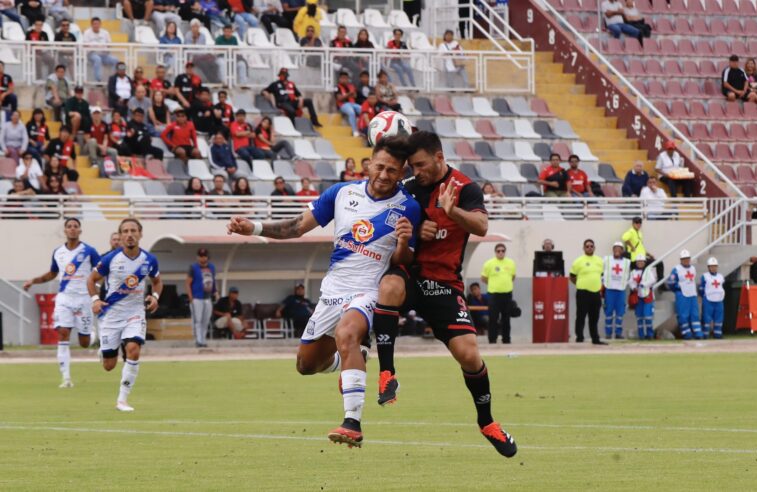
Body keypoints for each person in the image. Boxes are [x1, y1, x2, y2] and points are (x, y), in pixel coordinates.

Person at [227, 136, 421, 448]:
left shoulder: (407, 207)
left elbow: (404, 261)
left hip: (369, 291)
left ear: (402, 173)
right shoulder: (342, 193)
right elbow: (297, 226)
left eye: (393, 171)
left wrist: (402, 243)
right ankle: (353, 358)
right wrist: (256, 228)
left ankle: (352, 422)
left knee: (347, 334)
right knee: (306, 365)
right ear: (369, 163)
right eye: (380, 167)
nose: (385, 175)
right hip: (333, 291)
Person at [369, 131, 517, 458]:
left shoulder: (465, 188)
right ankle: (386, 373)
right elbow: (388, 230)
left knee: (469, 354)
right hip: (410, 272)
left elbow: (479, 226)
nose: (415, 171)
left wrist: (454, 214)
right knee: (388, 287)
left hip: (444, 283)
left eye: (420, 165)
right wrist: (409, 235)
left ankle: (487, 422)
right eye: (411, 166)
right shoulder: (406, 189)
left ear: (439, 157)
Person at [88, 218, 163, 412]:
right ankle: (104, 350)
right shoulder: (110, 259)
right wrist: (95, 300)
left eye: (133, 230)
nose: (129, 234)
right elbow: (91, 279)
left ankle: (122, 400)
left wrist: (155, 296)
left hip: (135, 313)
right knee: (109, 365)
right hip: (112, 316)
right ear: (120, 236)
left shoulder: (149, 260)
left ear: (140, 234)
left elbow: (157, 281)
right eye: (125, 231)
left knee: (133, 350)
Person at [22, 218, 98, 388]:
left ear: (80, 230)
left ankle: (91, 334)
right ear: (65, 231)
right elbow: (52, 274)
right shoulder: (58, 252)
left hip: (84, 298)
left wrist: (96, 289)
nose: (72, 229)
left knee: (84, 343)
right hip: (65, 298)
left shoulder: (89, 251)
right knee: (63, 332)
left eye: (75, 226)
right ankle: (66, 378)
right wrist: (33, 280)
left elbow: (100, 271)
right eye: (69, 226)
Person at [570, 239, 607, 345]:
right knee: (581, 315)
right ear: (583, 248)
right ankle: (580, 337)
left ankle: (595, 339)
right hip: (583, 292)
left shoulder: (600, 261)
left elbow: (601, 275)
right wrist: (580, 284)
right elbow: (572, 276)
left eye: (591, 246)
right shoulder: (578, 261)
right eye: (587, 246)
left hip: (596, 293)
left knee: (594, 317)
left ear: (594, 248)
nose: (589, 248)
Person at [480, 243, 516, 344]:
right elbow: (484, 278)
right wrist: (494, 284)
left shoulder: (511, 263)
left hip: (507, 294)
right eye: (498, 251)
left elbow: (513, 277)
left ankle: (506, 340)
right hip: (493, 295)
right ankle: (492, 340)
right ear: (495, 252)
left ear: (505, 252)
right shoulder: (489, 263)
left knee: (506, 318)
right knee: (493, 318)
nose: (501, 253)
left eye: (503, 251)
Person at [666, 250, 703, 339]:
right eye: (684, 259)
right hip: (682, 295)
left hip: (692, 294)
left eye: (687, 259)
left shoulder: (693, 268)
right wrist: (678, 289)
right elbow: (670, 282)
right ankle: (687, 334)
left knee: (695, 314)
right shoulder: (676, 269)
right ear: (681, 260)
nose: (686, 260)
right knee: (683, 315)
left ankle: (698, 333)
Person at [186, 247, 217, 348]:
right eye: (200, 256)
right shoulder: (193, 268)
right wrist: (190, 297)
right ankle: (198, 340)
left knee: (206, 320)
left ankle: (203, 339)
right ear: (197, 257)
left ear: (207, 257)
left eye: (204, 256)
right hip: (197, 297)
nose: (202, 258)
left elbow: (213, 281)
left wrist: (215, 292)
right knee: (197, 320)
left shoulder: (211, 267)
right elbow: (188, 283)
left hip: (207, 298)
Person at [602, 241, 630, 340]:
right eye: (615, 248)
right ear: (613, 249)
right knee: (608, 312)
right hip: (609, 290)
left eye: (620, 248)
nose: (617, 250)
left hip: (621, 290)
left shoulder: (627, 262)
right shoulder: (606, 259)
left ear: (622, 251)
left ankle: (618, 333)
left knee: (620, 313)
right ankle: (608, 333)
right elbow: (601, 271)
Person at [628, 254, 656, 340]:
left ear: (644, 262)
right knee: (639, 317)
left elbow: (653, 280)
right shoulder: (633, 272)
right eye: (638, 262)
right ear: (636, 263)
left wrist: (644, 284)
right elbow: (630, 282)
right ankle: (641, 335)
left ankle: (650, 335)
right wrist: (633, 287)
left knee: (648, 316)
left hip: (647, 296)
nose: (640, 263)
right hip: (638, 296)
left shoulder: (648, 270)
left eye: (641, 262)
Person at [83, 18, 119, 83]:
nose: (96, 25)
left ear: (100, 24)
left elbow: (109, 45)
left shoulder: (105, 33)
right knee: (97, 59)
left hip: (104, 54)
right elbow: (85, 45)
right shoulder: (87, 32)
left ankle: (114, 79)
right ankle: (98, 80)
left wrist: (104, 48)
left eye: (97, 24)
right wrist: (97, 46)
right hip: (92, 54)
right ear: (91, 24)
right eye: (94, 24)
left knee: (115, 60)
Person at [699, 257, 725, 339]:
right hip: (708, 300)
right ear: (708, 267)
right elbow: (701, 289)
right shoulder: (704, 276)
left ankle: (718, 334)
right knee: (706, 318)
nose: (713, 268)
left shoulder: (721, 276)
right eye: (711, 266)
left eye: (715, 266)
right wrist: (705, 296)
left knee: (719, 319)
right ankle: (705, 335)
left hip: (719, 300)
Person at [335, 71, 362, 137]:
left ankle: (362, 129)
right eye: (343, 78)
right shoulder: (337, 87)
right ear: (340, 79)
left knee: (362, 110)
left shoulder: (351, 86)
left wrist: (346, 95)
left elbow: (355, 96)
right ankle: (354, 131)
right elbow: (339, 98)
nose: (345, 80)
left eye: (346, 78)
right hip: (343, 105)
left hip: (352, 104)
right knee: (351, 112)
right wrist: (349, 94)